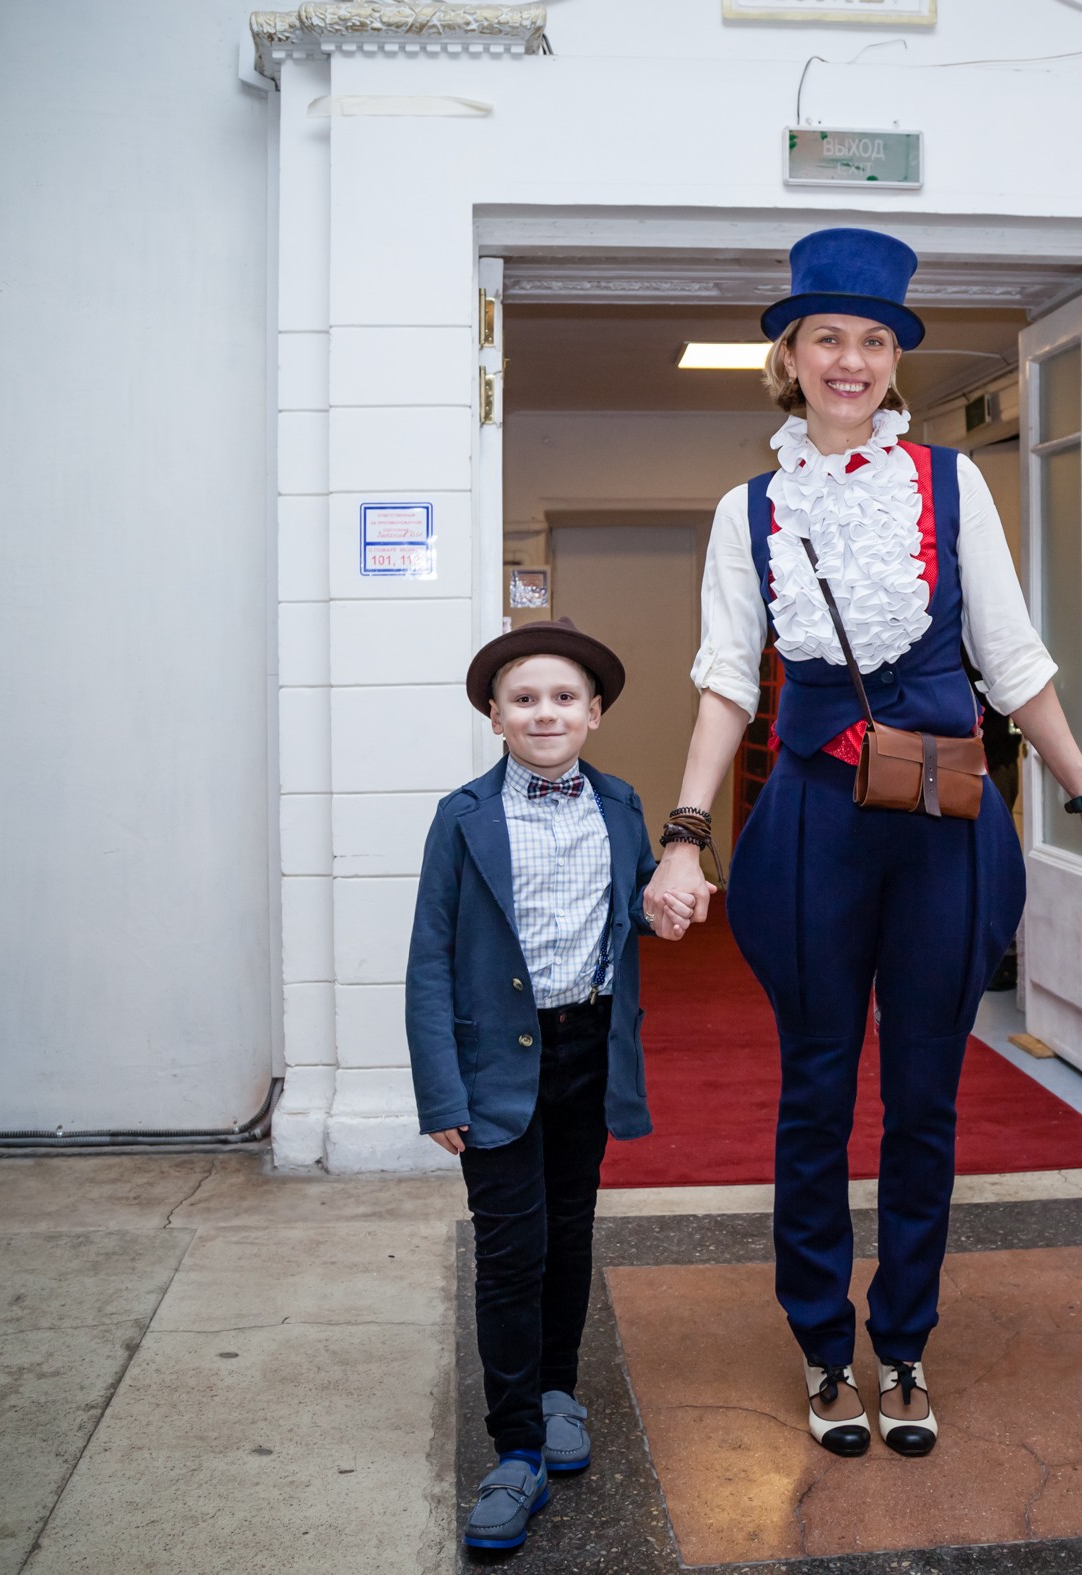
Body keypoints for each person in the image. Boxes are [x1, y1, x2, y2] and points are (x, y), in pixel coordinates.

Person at [643, 227, 1082, 1457]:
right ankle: (823, 1346)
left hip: (942, 823)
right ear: (789, 357)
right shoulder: (749, 509)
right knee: (814, 1092)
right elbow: (725, 680)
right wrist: (686, 837)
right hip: (812, 821)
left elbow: (1012, 660)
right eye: (828, 338)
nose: (851, 361)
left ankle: (904, 1342)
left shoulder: (952, 485)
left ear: (892, 361)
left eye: (873, 341)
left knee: (925, 1095)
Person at [405, 620, 658, 1552]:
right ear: (495, 716)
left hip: (589, 1050)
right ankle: (515, 1448)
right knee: (511, 1251)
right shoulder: (463, 815)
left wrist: (667, 902)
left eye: (563, 697)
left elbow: (636, 908)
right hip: (496, 1066)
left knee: (569, 1229)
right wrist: (442, 1092)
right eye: (524, 699)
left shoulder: (621, 805)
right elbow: (429, 960)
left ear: (594, 713)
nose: (544, 712)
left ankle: (557, 1391)